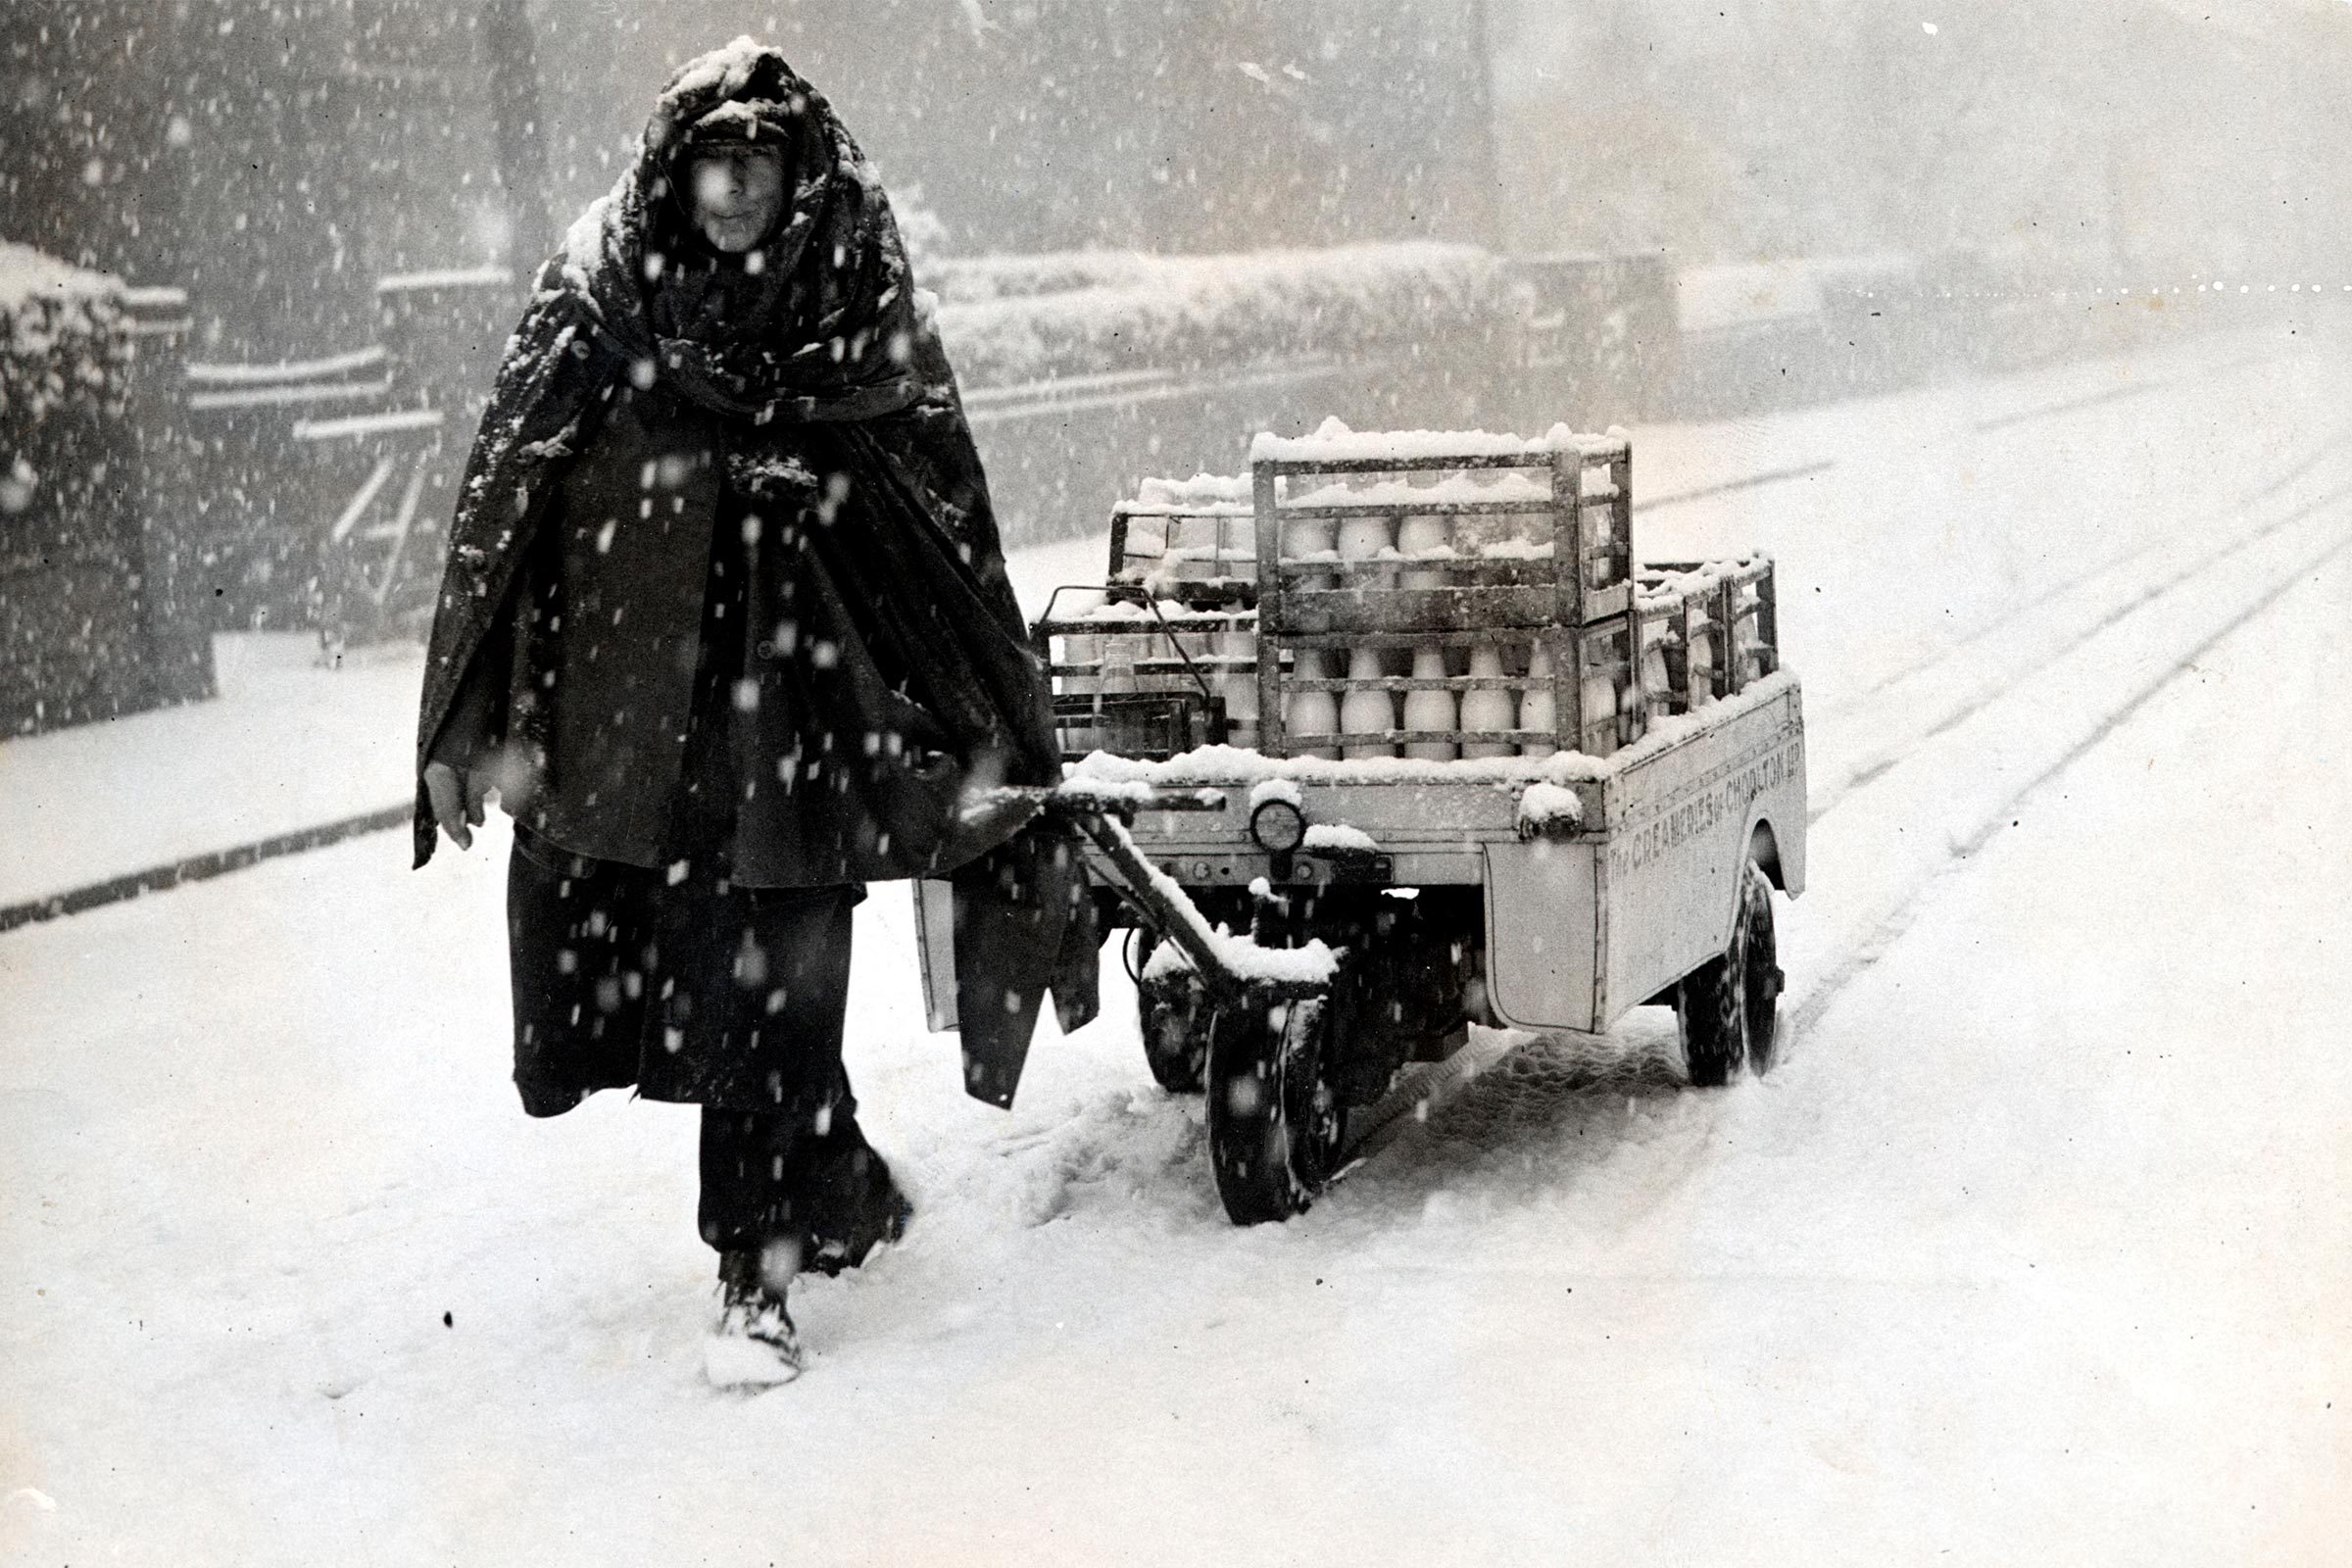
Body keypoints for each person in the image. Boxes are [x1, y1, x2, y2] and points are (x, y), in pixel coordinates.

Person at [414, 38, 1092, 1389]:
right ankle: (837, 1186)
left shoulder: (851, 301)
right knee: (717, 997)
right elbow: (507, 519)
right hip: (637, 728)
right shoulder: (598, 302)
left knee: (777, 984)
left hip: (804, 722)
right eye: (713, 164)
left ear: (797, 177)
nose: (733, 194)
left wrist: (984, 711)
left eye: (758, 166)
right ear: (678, 170)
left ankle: (755, 1277)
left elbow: (936, 521)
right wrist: (461, 726)